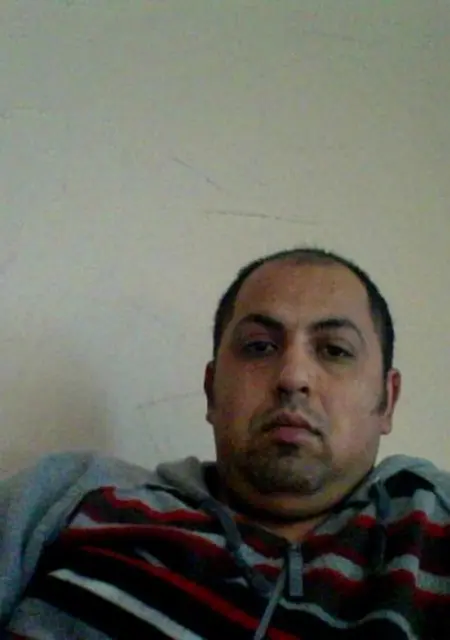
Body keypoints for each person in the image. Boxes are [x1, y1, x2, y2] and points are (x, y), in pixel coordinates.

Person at [0, 247, 449, 639]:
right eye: (259, 346)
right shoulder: (69, 496)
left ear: (387, 400)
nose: (293, 377)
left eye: (334, 350)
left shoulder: (432, 525)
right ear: (211, 390)